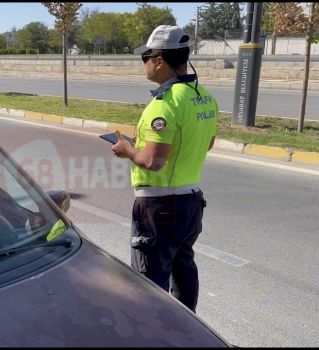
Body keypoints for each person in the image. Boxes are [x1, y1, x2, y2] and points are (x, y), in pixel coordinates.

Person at [110, 25, 218, 313]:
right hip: (191, 202)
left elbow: (153, 162)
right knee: (183, 269)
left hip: (159, 207)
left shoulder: (164, 104)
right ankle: (186, 329)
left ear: (159, 61)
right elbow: (206, 144)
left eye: (145, 57)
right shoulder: (204, 96)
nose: (144, 63)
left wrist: (127, 150)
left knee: (149, 281)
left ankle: (153, 334)